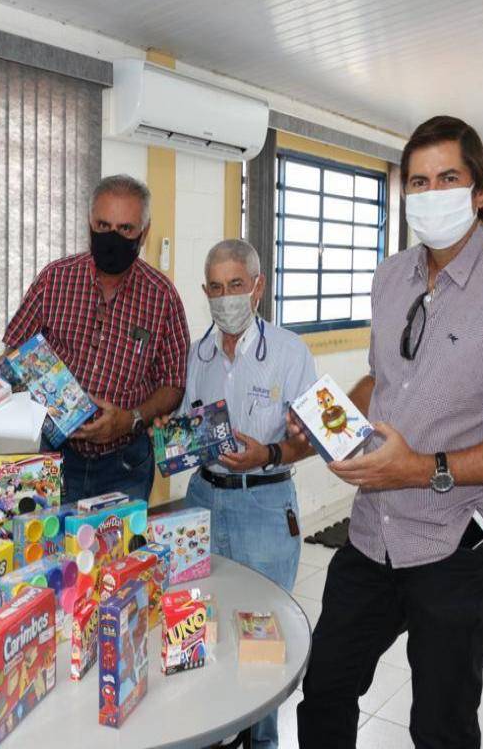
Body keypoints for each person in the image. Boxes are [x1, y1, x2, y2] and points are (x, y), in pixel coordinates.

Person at [295, 116, 483, 749]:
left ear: (479, 191)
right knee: (326, 688)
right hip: (373, 532)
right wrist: (328, 421)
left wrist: (419, 469)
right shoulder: (391, 277)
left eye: (448, 178)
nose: (431, 193)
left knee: (441, 727)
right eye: (418, 181)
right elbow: (381, 378)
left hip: (458, 544)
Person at [173, 239, 316, 749]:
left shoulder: (290, 353)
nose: (226, 297)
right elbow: (187, 428)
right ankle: (209, 734)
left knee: (262, 637)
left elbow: (313, 439)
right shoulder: (199, 355)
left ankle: (262, 742)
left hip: (264, 505)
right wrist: (171, 442)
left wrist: (268, 453)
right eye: (215, 288)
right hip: (203, 500)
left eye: (236, 285)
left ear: (257, 287)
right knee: (198, 625)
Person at [3, 174, 189, 503]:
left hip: (125, 463)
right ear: (90, 223)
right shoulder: (55, 278)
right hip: (54, 454)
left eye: (125, 229)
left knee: (119, 539)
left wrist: (130, 419)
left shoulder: (162, 297)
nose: (112, 237)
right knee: (47, 535)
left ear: (144, 232)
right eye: (103, 226)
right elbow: (16, 348)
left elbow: (173, 384)